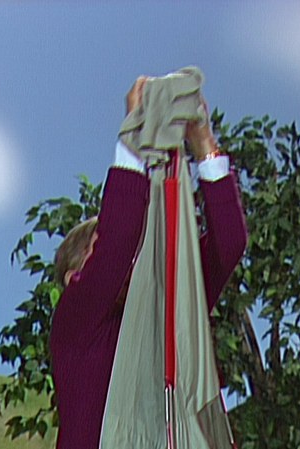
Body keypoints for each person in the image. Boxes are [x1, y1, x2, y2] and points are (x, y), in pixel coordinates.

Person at [49, 76, 247, 449]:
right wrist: (135, 135)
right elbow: (118, 244)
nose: (134, 257)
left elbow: (229, 243)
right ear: (75, 276)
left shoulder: (164, 313)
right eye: (97, 250)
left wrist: (202, 142)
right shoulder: (75, 323)